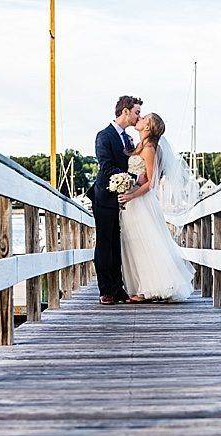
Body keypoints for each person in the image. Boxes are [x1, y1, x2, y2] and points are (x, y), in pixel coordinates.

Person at [117, 112, 196, 302]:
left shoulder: (150, 148)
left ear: (147, 127)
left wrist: (131, 194)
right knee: (134, 243)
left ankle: (148, 290)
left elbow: (151, 182)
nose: (140, 118)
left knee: (144, 243)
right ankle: (140, 287)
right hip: (132, 202)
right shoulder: (140, 145)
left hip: (141, 202)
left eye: (144, 118)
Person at [90, 95, 142, 305]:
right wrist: (134, 178)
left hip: (123, 198)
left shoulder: (128, 139)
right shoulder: (104, 136)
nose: (138, 116)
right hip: (104, 196)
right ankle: (106, 290)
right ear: (126, 111)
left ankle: (118, 288)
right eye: (136, 112)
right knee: (105, 243)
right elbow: (106, 167)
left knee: (117, 244)